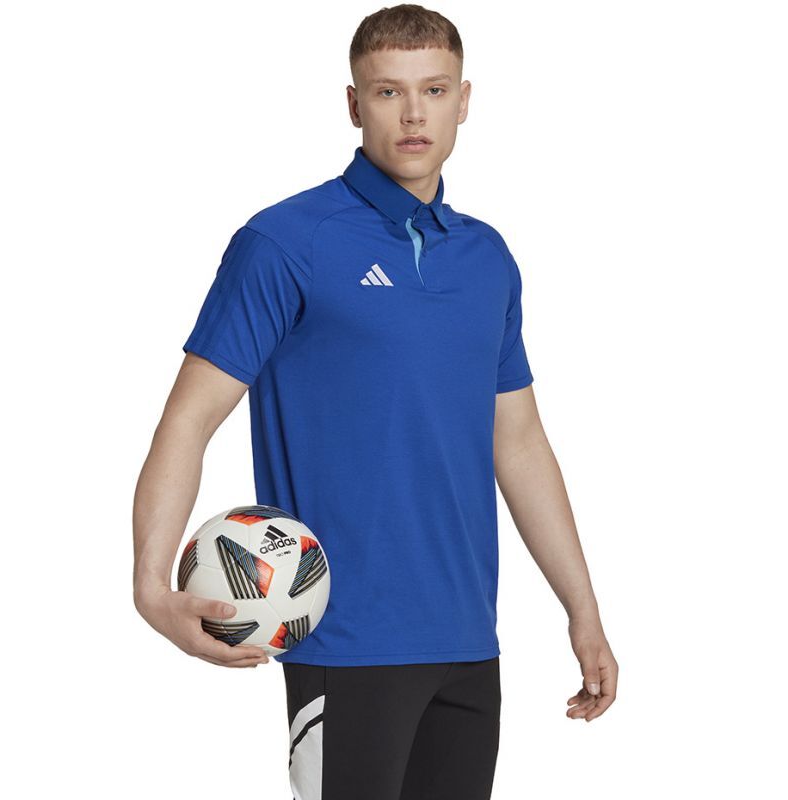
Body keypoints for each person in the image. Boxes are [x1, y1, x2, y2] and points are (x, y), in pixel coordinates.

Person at [133, 4, 618, 798]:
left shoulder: (487, 257)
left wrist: (583, 610)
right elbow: (187, 420)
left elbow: (519, 441)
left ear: (464, 100)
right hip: (345, 642)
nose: (414, 113)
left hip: (468, 642)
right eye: (389, 92)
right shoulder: (285, 243)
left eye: (435, 89)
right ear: (355, 105)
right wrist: (152, 588)